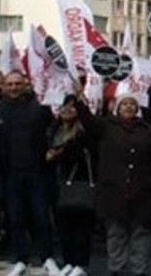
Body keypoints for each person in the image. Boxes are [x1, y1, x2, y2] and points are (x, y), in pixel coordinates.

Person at [0, 71, 56, 276]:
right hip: (9, 173)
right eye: (9, 84)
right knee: (15, 218)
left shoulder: (40, 109)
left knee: (41, 218)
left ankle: (47, 257)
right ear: (3, 87)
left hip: (37, 172)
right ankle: (20, 258)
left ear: (25, 84)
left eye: (17, 84)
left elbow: (53, 132)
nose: (13, 88)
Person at [87, 93, 151, 276]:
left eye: (132, 104)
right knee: (116, 233)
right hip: (114, 190)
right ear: (117, 108)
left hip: (141, 190)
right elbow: (87, 120)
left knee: (140, 234)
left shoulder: (147, 130)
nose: (128, 107)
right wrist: (80, 97)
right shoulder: (106, 127)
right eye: (124, 104)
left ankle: (138, 270)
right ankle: (116, 269)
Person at [48, 95, 95, 276]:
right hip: (58, 183)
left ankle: (80, 263)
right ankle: (68, 261)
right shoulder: (54, 130)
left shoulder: (84, 132)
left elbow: (79, 154)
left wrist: (60, 153)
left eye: (71, 107)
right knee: (63, 227)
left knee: (80, 227)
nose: (67, 110)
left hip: (79, 182)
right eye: (63, 107)